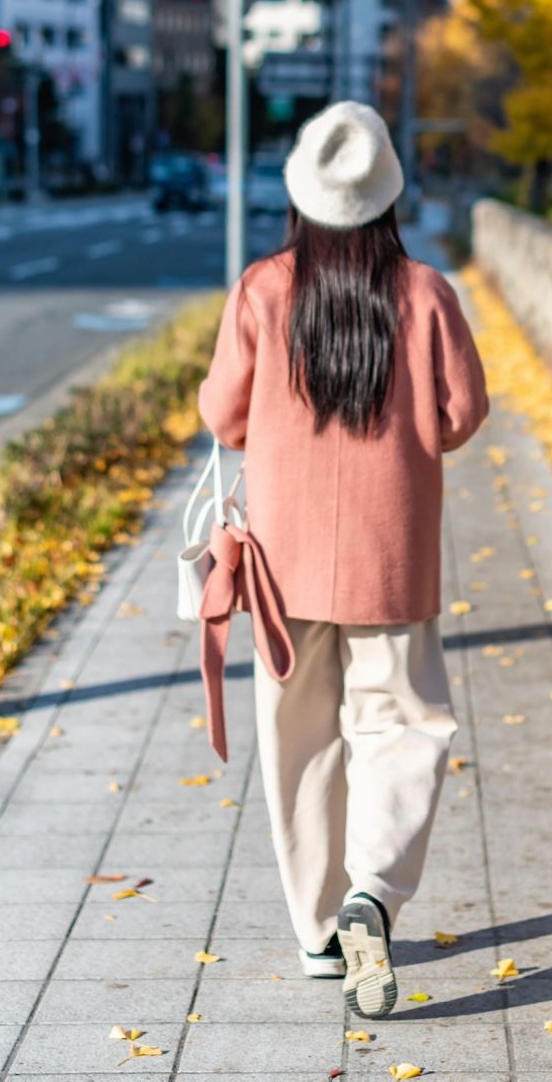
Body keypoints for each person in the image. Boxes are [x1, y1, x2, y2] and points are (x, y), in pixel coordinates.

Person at [197, 101, 489, 1020]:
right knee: (402, 726)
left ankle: (321, 930)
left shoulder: (262, 290)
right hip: (392, 549)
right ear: (388, 197)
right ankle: (377, 893)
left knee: (298, 742)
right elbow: (460, 416)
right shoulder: (429, 293)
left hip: (283, 562)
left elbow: (222, 415)